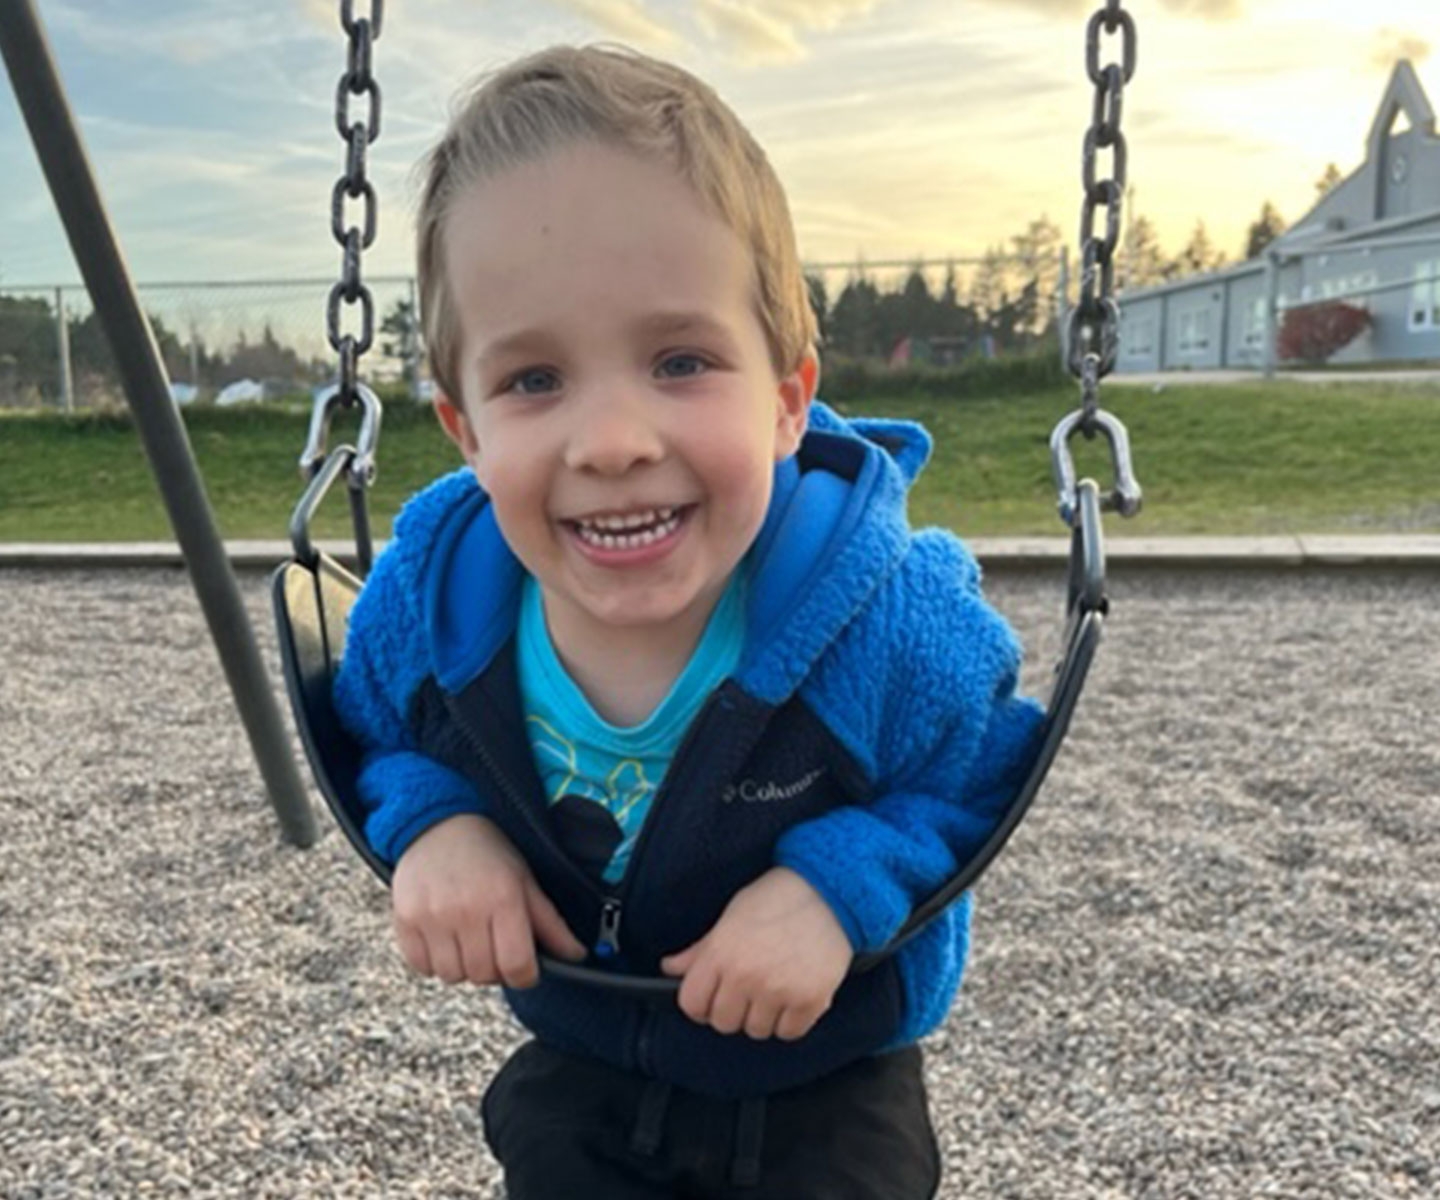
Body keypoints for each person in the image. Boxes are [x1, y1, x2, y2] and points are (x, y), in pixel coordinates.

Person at [334, 43, 1043, 1199]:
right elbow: (370, 734)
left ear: (787, 400)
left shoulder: (883, 618)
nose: (611, 441)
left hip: (828, 1070)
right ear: (465, 433)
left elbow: (982, 770)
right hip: (586, 1058)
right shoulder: (432, 609)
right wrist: (433, 824)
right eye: (534, 381)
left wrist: (837, 886)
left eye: (679, 360)